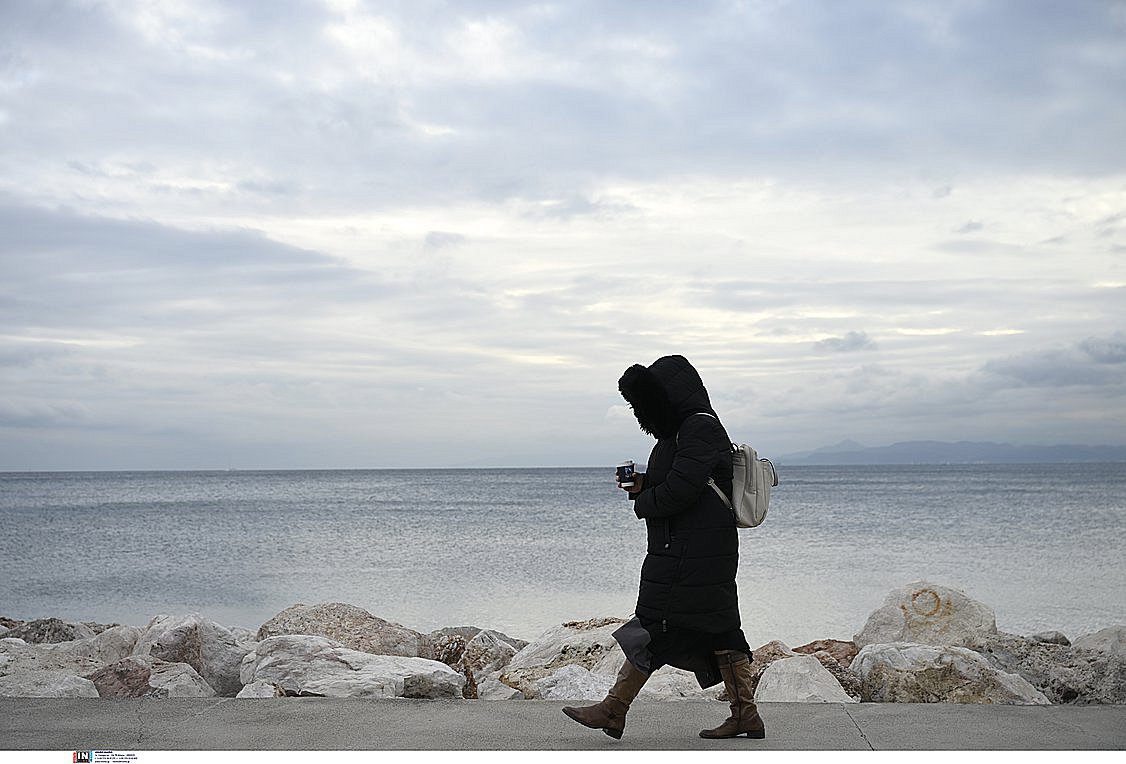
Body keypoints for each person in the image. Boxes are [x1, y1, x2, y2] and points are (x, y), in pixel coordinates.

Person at [562, 355, 765, 741]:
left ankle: (613, 708)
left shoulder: (700, 429)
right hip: (690, 549)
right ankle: (746, 715)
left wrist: (644, 502)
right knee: (720, 629)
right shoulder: (679, 433)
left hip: (694, 552)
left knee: (655, 625)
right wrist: (642, 483)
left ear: (670, 396)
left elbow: (681, 490)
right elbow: (673, 482)